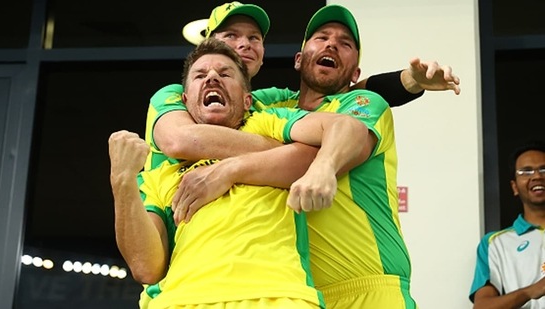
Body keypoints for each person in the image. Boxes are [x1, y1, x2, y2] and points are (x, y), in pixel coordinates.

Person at [173, 5, 419, 308]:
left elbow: (350, 130)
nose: (331, 44)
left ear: (356, 74)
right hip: (303, 291)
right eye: (321, 37)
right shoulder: (270, 108)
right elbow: (214, 108)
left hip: (369, 286)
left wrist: (323, 166)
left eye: (345, 43)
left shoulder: (363, 101)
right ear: (298, 59)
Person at [110, 38, 375, 308]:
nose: (212, 77)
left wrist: (323, 167)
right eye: (200, 75)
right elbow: (146, 268)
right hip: (181, 301)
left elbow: (348, 127)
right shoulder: (161, 170)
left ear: (248, 100)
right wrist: (122, 182)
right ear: (185, 101)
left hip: (279, 297)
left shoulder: (269, 123)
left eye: (225, 74)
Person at [146, 1, 461, 172]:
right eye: (231, 37)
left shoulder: (269, 104)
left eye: (254, 38)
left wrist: (410, 81)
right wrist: (292, 153)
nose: (244, 45)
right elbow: (181, 139)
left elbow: (359, 94)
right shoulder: (176, 96)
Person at [469, 140, 545, 309]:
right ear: (514, 187)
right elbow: (482, 307)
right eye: (526, 171)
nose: (537, 176)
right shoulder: (494, 243)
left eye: (544, 169)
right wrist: (531, 291)